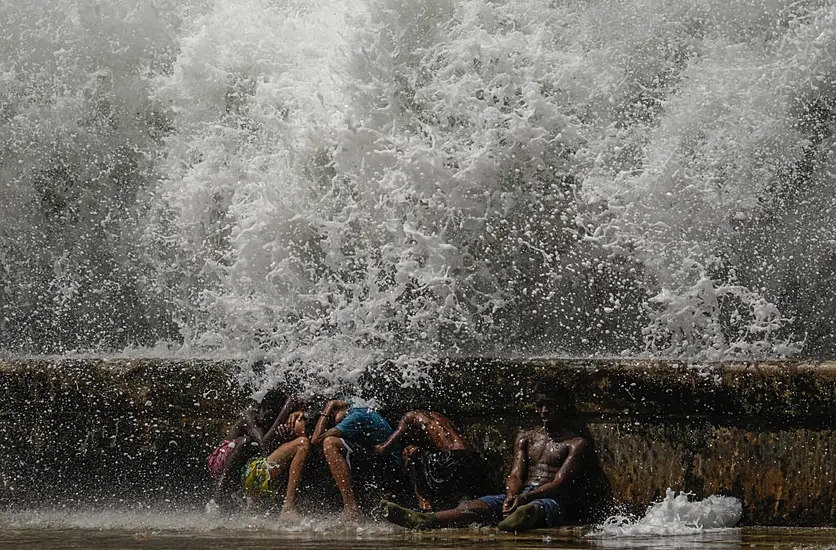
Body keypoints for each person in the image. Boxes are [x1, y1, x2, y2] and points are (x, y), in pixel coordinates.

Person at [382, 375, 588, 532]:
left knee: (536, 509)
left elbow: (561, 482)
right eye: (540, 405)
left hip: (551, 500)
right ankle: (426, 519)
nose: (543, 410)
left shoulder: (575, 443)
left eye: (549, 405)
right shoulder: (526, 438)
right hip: (520, 495)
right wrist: (512, 495)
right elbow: (515, 474)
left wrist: (525, 499)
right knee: (473, 505)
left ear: (562, 405)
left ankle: (519, 518)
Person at [206, 390, 310, 519]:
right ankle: (217, 498)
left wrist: (294, 414)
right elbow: (263, 444)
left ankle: (247, 496)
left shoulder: (274, 420)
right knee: (246, 441)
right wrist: (283, 412)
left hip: (248, 466)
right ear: (260, 407)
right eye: (268, 414)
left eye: (275, 416)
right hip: (221, 463)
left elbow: (265, 451)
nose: (268, 420)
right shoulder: (249, 416)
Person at [374, 410, 485, 510]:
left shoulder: (408, 417)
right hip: (472, 457)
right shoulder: (439, 417)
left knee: (410, 451)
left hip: (450, 459)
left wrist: (372, 448)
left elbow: (384, 448)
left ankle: (424, 504)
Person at [311, 399, 403, 519]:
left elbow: (315, 440)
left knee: (330, 443)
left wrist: (328, 406)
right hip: (383, 463)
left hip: (390, 467)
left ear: (340, 408)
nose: (334, 422)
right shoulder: (363, 411)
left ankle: (351, 508)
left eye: (333, 416)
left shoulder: (356, 415)